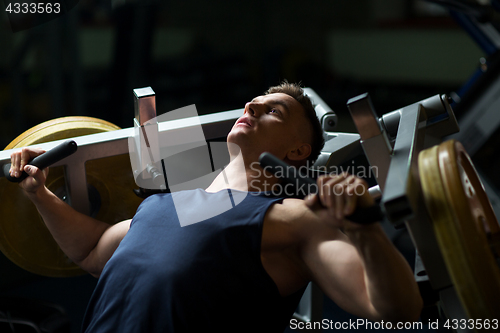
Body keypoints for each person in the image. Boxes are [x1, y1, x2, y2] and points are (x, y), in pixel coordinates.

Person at [9, 82, 423, 332]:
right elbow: (92, 250)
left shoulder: (293, 219)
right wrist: (40, 195)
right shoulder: (165, 203)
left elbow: (396, 311)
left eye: (273, 110)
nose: (251, 107)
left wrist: (365, 231)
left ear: (299, 149)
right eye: (252, 103)